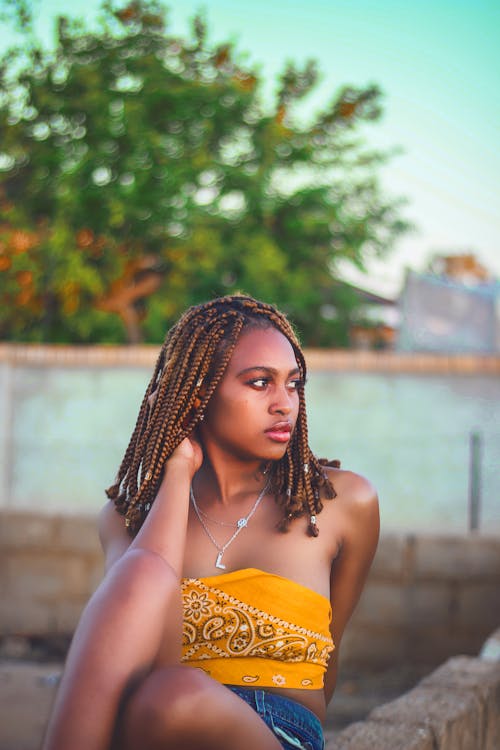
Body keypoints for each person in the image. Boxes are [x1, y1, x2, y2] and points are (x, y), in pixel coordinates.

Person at [42, 294, 379, 750]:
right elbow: (123, 661)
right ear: (199, 393)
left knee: (175, 694)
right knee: (143, 576)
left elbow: (328, 665)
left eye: (294, 384)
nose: (285, 404)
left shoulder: (341, 503)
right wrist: (177, 470)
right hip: (154, 728)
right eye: (260, 383)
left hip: (279, 734)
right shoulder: (128, 518)